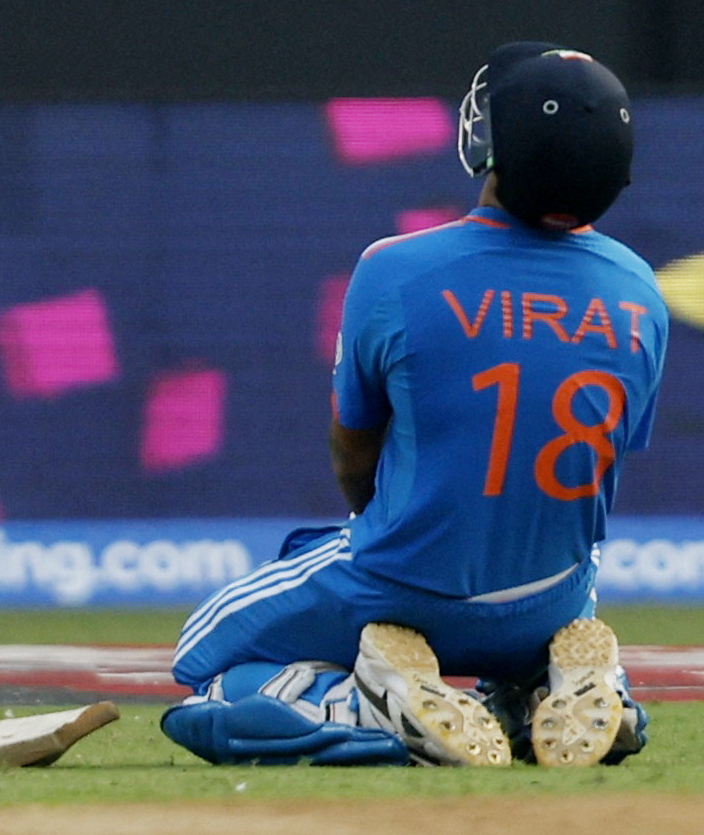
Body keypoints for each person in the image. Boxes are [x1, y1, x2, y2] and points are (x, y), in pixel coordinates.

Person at [162, 44, 667, 768]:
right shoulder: (640, 292)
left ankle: (369, 706)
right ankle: (567, 693)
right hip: (553, 596)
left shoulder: (393, 269)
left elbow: (353, 454)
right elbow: (603, 458)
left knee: (203, 668)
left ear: (497, 146)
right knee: (549, 612)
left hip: (402, 580)